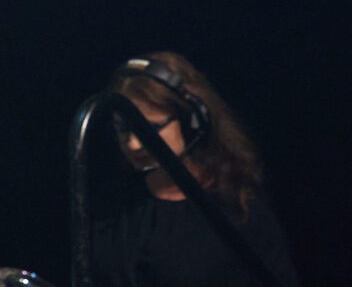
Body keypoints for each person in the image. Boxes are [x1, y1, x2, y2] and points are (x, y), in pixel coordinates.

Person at [90, 52, 300, 287]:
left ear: (190, 120)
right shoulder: (113, 202)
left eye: (151, 128)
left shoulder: (236, 206)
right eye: (122, 128)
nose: (133, 144)